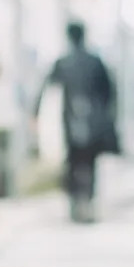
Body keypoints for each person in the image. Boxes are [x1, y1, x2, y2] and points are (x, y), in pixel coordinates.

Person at [35, 22, 117, 224]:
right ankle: (87, 203)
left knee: (72, 162)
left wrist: (35, 113)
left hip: (70, 119)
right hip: (94, 121)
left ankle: (74, 203)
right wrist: (106, 115)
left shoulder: (63, 62)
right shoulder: (95, 61)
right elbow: (109, 92)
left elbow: (45, 88)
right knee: (90, 163)